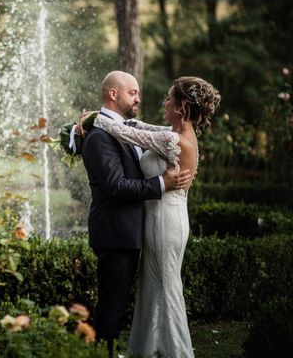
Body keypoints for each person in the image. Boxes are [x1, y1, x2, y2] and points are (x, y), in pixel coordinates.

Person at [91, 75, 221, 358]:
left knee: (166, 286)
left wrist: (92, 120)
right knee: (154, 287)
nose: (163, 102)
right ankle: (147, 350)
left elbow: (128, 133)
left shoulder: (173, 140)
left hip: (165, 221)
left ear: (181, 106)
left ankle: (176, 351)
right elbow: (140, 127)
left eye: (168, 98)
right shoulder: (177, 134)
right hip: (163, 217)